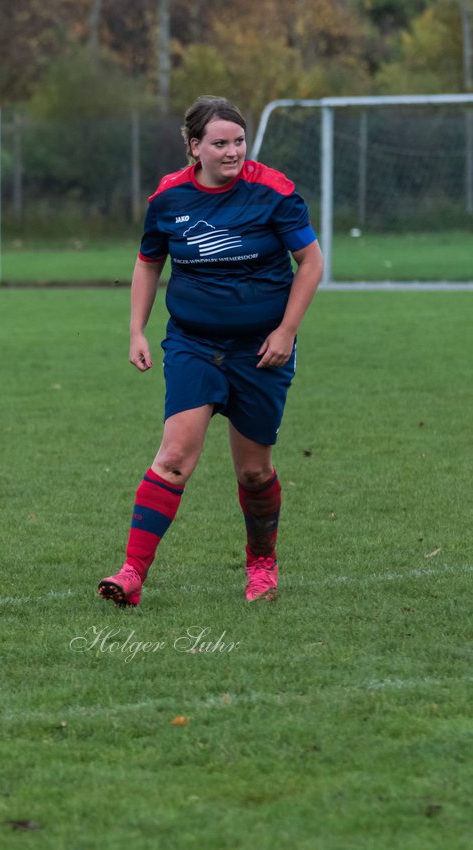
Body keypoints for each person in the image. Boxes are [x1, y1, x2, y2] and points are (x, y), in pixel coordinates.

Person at [98, 95, 323, 608]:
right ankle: (132, 573)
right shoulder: (169, 198)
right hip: (193, 345)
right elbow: (148, 262)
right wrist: (136, 329)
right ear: (194, 147)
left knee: (253, 472)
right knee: (174, 456)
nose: (233, 151)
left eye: (239, 141)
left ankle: (262, 564)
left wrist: (287, 331)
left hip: (261, 350)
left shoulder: (274, 191)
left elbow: (310, 263)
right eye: (220, 143)